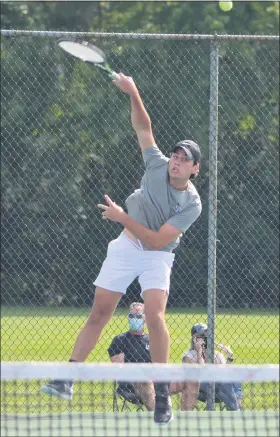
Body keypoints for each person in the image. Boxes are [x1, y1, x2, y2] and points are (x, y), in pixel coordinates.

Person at [41, 72, 202, 425]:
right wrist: (133, 91)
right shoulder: (157, 164)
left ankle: (162, 397)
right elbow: (143, 128)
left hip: (157, 255)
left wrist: (120, 216)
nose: (175, 160)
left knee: (156, 315)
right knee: (99, 313)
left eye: (183, 158)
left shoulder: (192, 203)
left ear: (194, 169)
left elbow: (159, 240)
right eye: (175, 154)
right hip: (126, 246)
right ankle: (67, 378)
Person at [169, 323, 243, 411]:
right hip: (200, 389)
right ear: (194, 339)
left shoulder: (217, 355)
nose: (203, 339)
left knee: (234, 375)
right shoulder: (188, 356)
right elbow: (202, 374)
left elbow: (224, 374)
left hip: (218, 390)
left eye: (206, 337)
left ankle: (236, 408)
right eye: (200, 337)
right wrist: (199, 351)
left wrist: (230, 357)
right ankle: (236, 410)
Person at [108, 302, 154, 411]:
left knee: (188, 382)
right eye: (131, 316)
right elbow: (120, 370)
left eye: (138, 316)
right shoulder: (120, 340)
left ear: (145, 319)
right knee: (145, 379)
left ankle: (186, 417)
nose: (134, 318)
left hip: (155, 379)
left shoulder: (152, 340)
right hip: (130, 384)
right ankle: (157, 416)